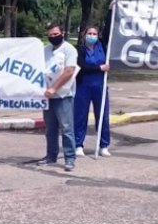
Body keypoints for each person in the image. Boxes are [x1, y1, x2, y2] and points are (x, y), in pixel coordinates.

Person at [39, 23, 78, 171]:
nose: (53, 37)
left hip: (63, 96)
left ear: (62, 33)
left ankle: (69, 158)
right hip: (47, 96)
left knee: (67, 128)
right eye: (51, 35)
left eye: (56, 34)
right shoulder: (46, 50)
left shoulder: (69, 49)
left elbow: (69, 71)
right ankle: (51, 156)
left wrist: (54, 88)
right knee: (50, 129)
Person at [74, 25, 111, 157]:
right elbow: (81, 66)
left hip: (100, 85)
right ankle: (78, 145)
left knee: (102, 116)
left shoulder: (103, 46)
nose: (92, 36)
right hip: (83, 86)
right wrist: (99, 68)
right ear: (84, 35)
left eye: (94, 33)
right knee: (80, 116)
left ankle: (104, 145)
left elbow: (109, 28)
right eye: (89, 33)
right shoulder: (80, 50)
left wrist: (111, 9)